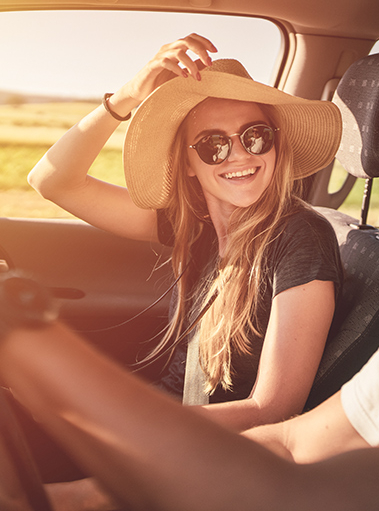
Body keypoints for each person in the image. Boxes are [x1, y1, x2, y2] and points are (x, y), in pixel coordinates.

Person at [1, 0, 379, 511]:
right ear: (187, 164)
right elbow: (291, 448)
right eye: (211, 146)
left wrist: (22, 331)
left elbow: (286, 467)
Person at [25, 35, 344, 503]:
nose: (239, 154)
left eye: (256, 135)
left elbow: (274, 407)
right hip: (157, 428)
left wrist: (119, 420)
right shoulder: (194, 228)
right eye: (213, 145)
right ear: (189, 163)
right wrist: (126, 99)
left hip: (189, 452)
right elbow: (51, 180)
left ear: (276, 144)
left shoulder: (301, 237)